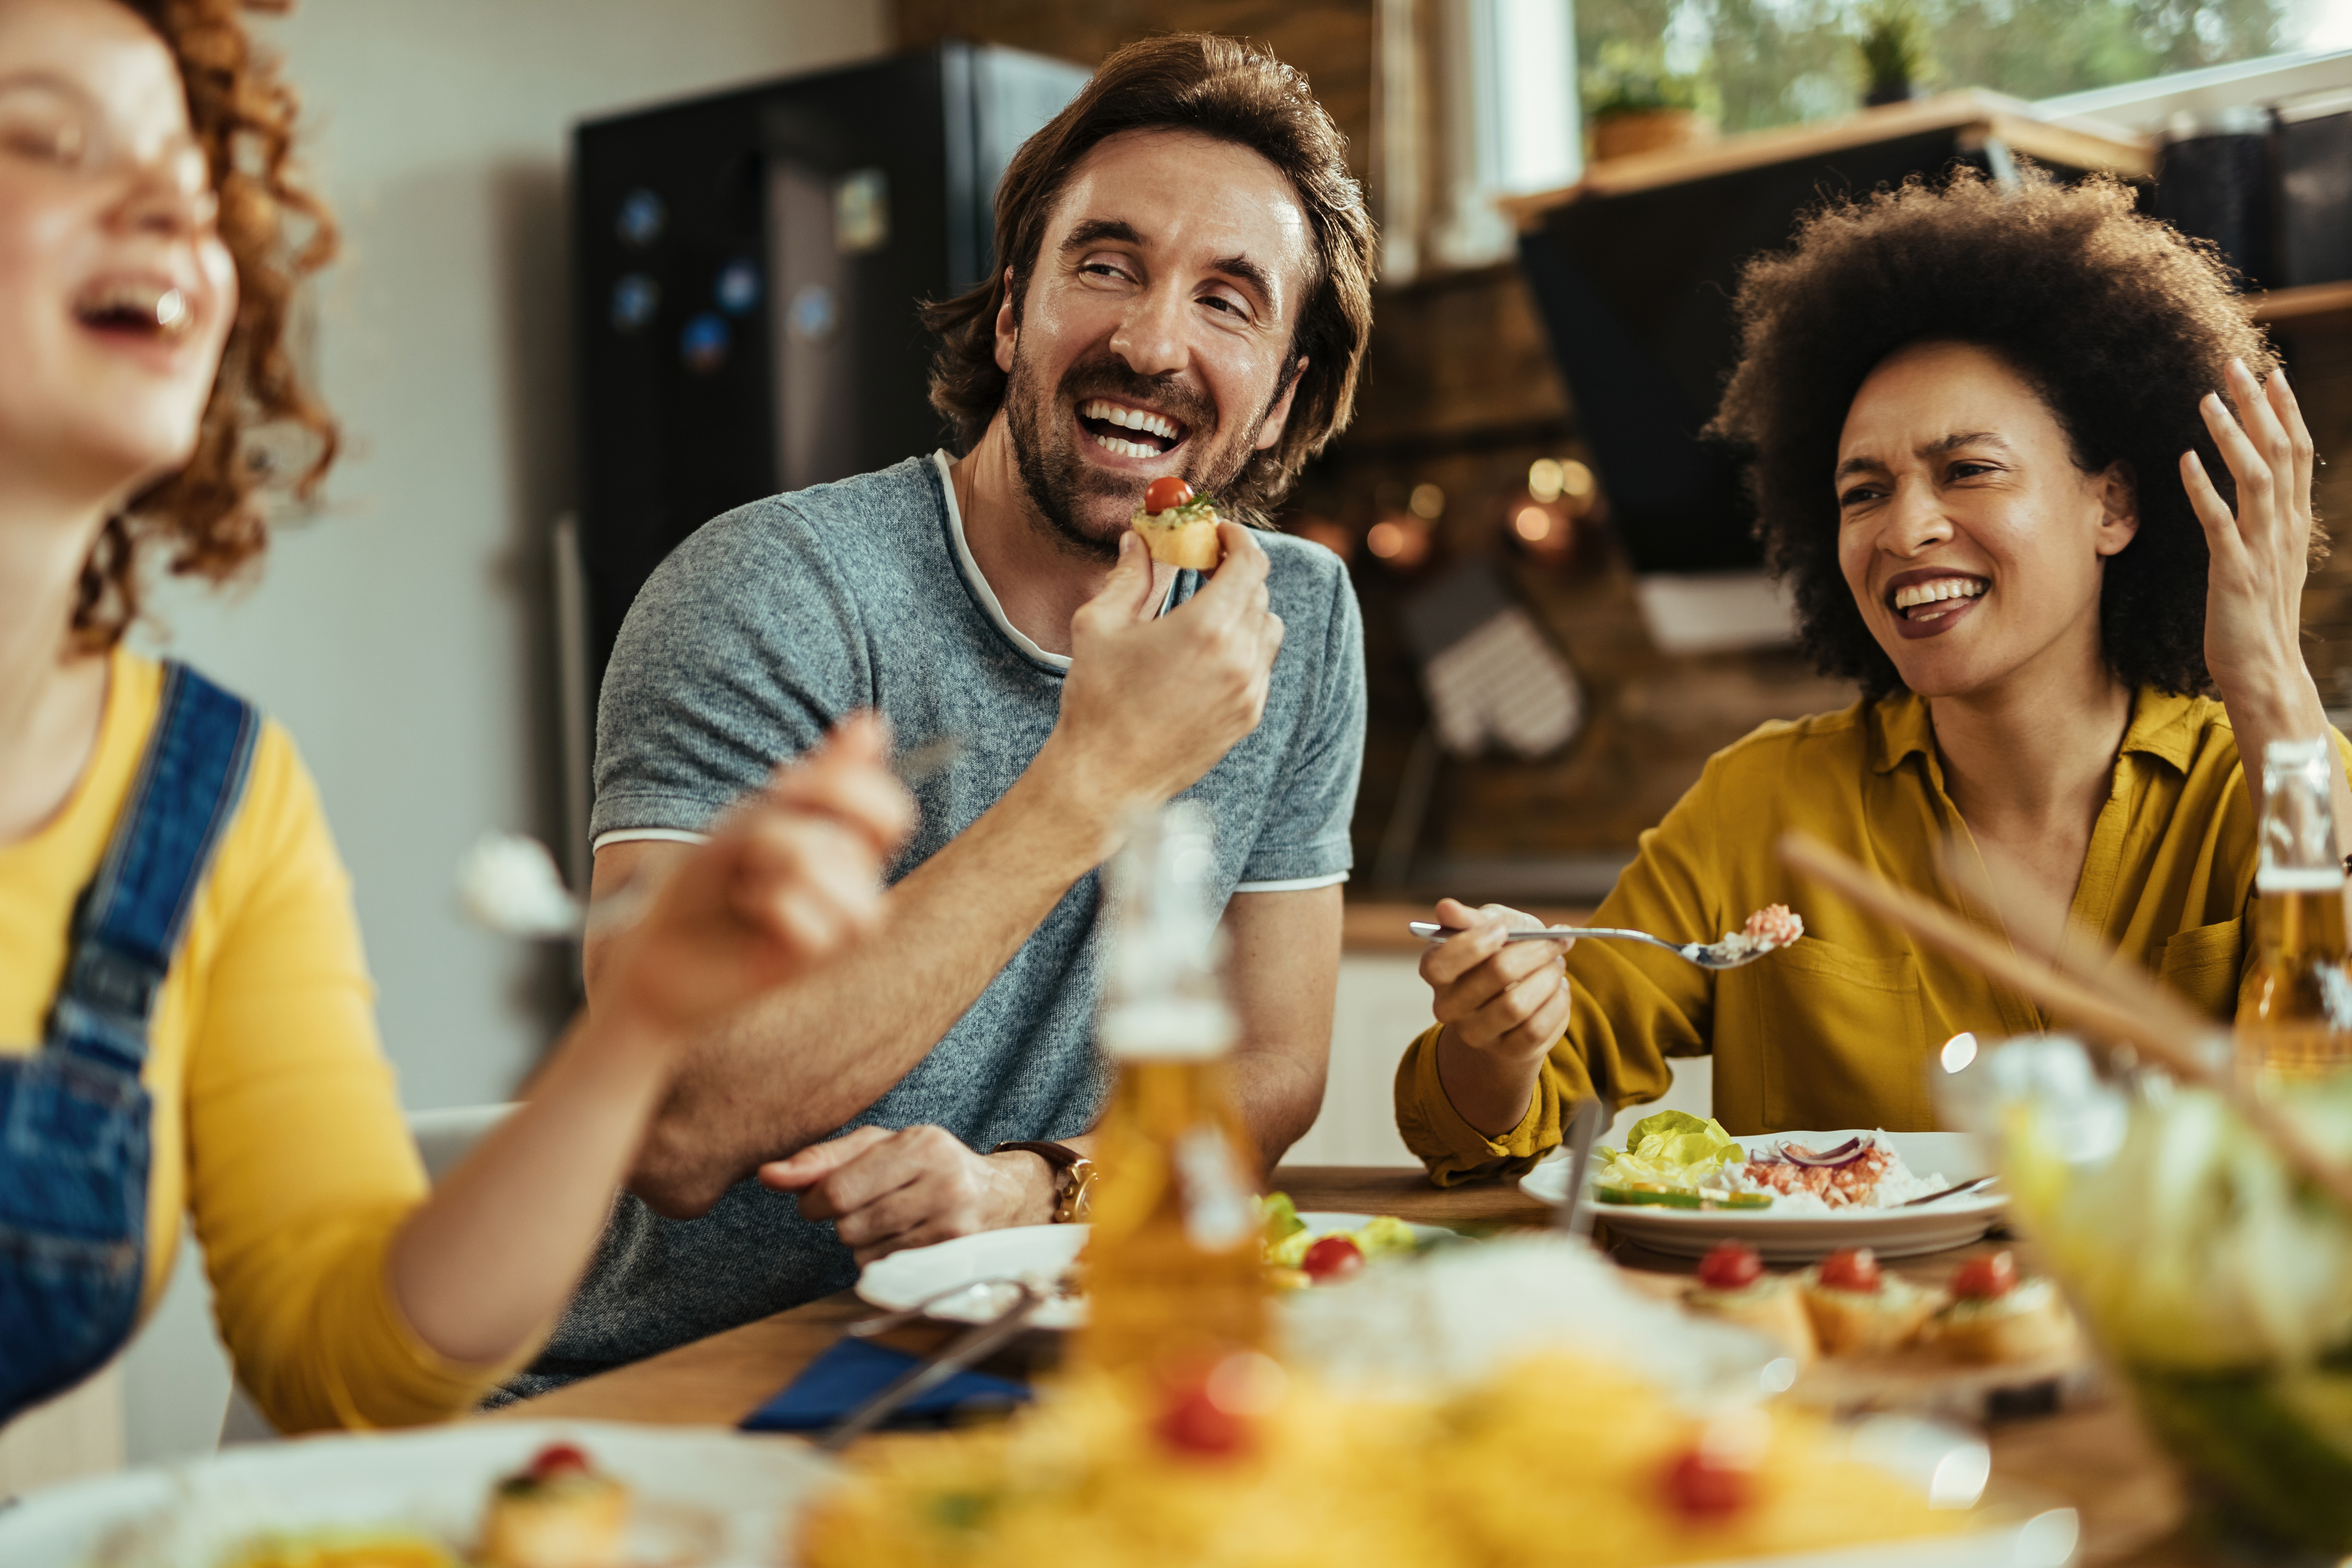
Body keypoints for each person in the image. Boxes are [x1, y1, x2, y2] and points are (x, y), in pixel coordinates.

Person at [0, 0, 914, 1432]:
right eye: (47, 137)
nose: (173, 206)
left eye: (190, 174)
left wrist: (642, 1022)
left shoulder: (202, 794)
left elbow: (358, 1357)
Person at [525, 32, 1372, 1396]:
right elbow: (671, 1127)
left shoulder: (1296, 625)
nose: (1152, 340)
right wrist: (1090, 782)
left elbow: (1273, 1064)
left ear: (1279, 401)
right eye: (1105, 265)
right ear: (1009, 316)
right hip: (678, 1391)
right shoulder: (773, 589)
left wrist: (1042, 1187)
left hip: (1026, 1370)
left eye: (1229, 300)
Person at [1397, 167, 2351, 1183]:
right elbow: (1490, 1120)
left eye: (1968, 470)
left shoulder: (2265, 776)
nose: (1906, 529)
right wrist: (1498, 1033)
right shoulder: (1763, 806)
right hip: (1844, 1330)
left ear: (2112, 504)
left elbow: (2329, 1090)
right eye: (1864, 491)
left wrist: (2271, 686)